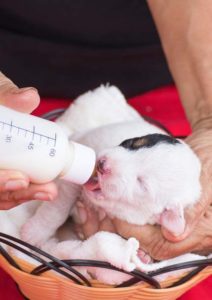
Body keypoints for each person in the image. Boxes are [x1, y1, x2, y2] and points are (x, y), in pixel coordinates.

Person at [0, 0, 211, 260]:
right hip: (15, 73)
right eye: (132, 145)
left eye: (141, 183)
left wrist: (209, 119)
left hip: (174, 77)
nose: (111, 163)